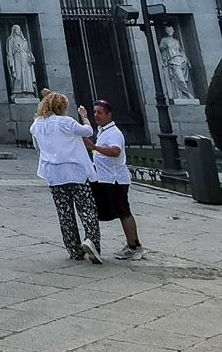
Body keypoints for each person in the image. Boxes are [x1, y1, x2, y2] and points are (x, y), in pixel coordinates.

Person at [30, 92, 101, 263]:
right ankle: (91, 242)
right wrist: (84, 116)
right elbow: (88, 131)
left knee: (64, 213)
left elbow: (37, 145)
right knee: (87, 209)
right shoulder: (66, 122)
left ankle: (74, 249)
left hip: (54, 174)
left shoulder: (37, 124)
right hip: (75, 172)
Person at [87, 99, 144, 259]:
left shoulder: (114, 133)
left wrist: (95, 147)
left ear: (109, 114)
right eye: (94, 112)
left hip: (115, 180)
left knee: (124, 212)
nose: (96, 115)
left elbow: (115, 151)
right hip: (107, 179)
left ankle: (135, 247)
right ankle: (132, 244)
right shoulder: (104, 131)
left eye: (99, 112)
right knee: (121, 212)